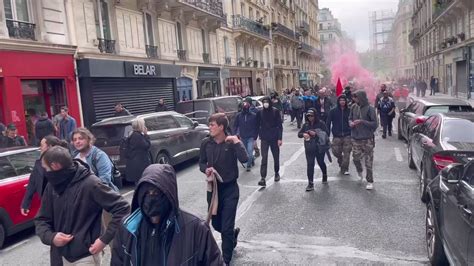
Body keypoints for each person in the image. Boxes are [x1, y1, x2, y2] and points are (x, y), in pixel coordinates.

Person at [35, 146, 130, 266]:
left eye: (46, 168)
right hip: (59, 256)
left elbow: (122, 208)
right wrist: (51, 237)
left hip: (86, 255)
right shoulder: (51, 186)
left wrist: (104, 240)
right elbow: (41, 219)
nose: (45, 172)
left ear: (55, 166)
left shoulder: (91, 183)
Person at [112, 164, 223, 265]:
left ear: (169, 195)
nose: (151, 199)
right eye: (146, 193)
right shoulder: (127, 228)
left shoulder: (195, 228)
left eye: (156, 193)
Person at [199, 113, 248, 265]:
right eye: (210, 125)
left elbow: (245, 159)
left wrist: (237, 141)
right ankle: (232, 235)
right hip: (213, 191)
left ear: (221, 127)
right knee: (216, 224)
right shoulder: (206, 143)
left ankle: (225, 260)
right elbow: (201, 163)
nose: (210, 127)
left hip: (230, 189)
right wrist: (205, 169)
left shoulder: (231, 142)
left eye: (212, 125)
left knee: (226, 226)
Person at [21, 136, 69, 217]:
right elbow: (32, 184)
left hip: (64, 203)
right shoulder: (38, 163)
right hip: (46, 203)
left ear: (49, 147)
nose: (40, 148)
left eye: (42, 145)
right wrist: (25, 203)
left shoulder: (64, 161)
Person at [349, 91, 378, 190]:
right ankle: (359, 171)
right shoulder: (353, 107)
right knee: (355, 158)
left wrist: (362, 121)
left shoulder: (370, 109)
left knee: (368, 162)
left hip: (367, 139)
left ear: (361, 98)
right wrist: (351, 123)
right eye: (354, 98)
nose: (354, 100)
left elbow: (375, 124)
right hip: (355, 138)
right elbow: (349, 118)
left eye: (356, 98)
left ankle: (369, 181)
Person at [298, 109, 329, 191]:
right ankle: (310, 183)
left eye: (312, 116)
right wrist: (304, 134)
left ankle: (324, 174)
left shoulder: (321, 123)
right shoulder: (306, 125)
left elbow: (326, 133)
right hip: (309, 148)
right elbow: (299, 134)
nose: (310, 117)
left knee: (320, 162)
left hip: (319, 147)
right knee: (310, 164)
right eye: (308, 116)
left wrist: (316, 133)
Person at [256, 97, 283, 187]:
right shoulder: (260, 112)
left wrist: (280, 138)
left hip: (274, 137)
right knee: (264, 158)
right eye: (264, 102)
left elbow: (280, 126)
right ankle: (263, 177)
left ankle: (276, 173)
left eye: (267, 102)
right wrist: (255, 137)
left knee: (276, 157)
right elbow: (257, 124)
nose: (265, 104)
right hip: (264, 138)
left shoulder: (275, 111)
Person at [326, 95, 352, 175]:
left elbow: (353, 120)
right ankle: (340, 159)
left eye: (343, 100)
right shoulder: (333, 111)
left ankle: (345, 168)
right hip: (336, 135)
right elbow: (328, 122)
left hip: (347, 135)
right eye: (340, 100)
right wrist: (327, 134)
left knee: (347, 153)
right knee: (336, 152)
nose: (342, 102)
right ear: (338, 101)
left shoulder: (350, 111)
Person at [124, 118, 151, 184]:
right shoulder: (137, 136)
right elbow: (146, 146)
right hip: (139, 165)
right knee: (141, 184)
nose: (144, 126)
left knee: (139, 184)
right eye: (143, 125)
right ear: (140, 126)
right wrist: (146, 135)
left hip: (135, 164)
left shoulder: (132, 134)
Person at [234, 101, 258, 171]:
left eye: (246, 108)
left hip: (250, 137)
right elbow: (235, 125)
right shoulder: (238, 116)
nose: (245, 109)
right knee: (246, 152)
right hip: (242, 137)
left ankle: (248, 165)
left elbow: (256, 127)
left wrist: (255, 137)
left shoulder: (253, 116)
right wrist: (235, 134)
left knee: (250, 151)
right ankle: (252, 159)